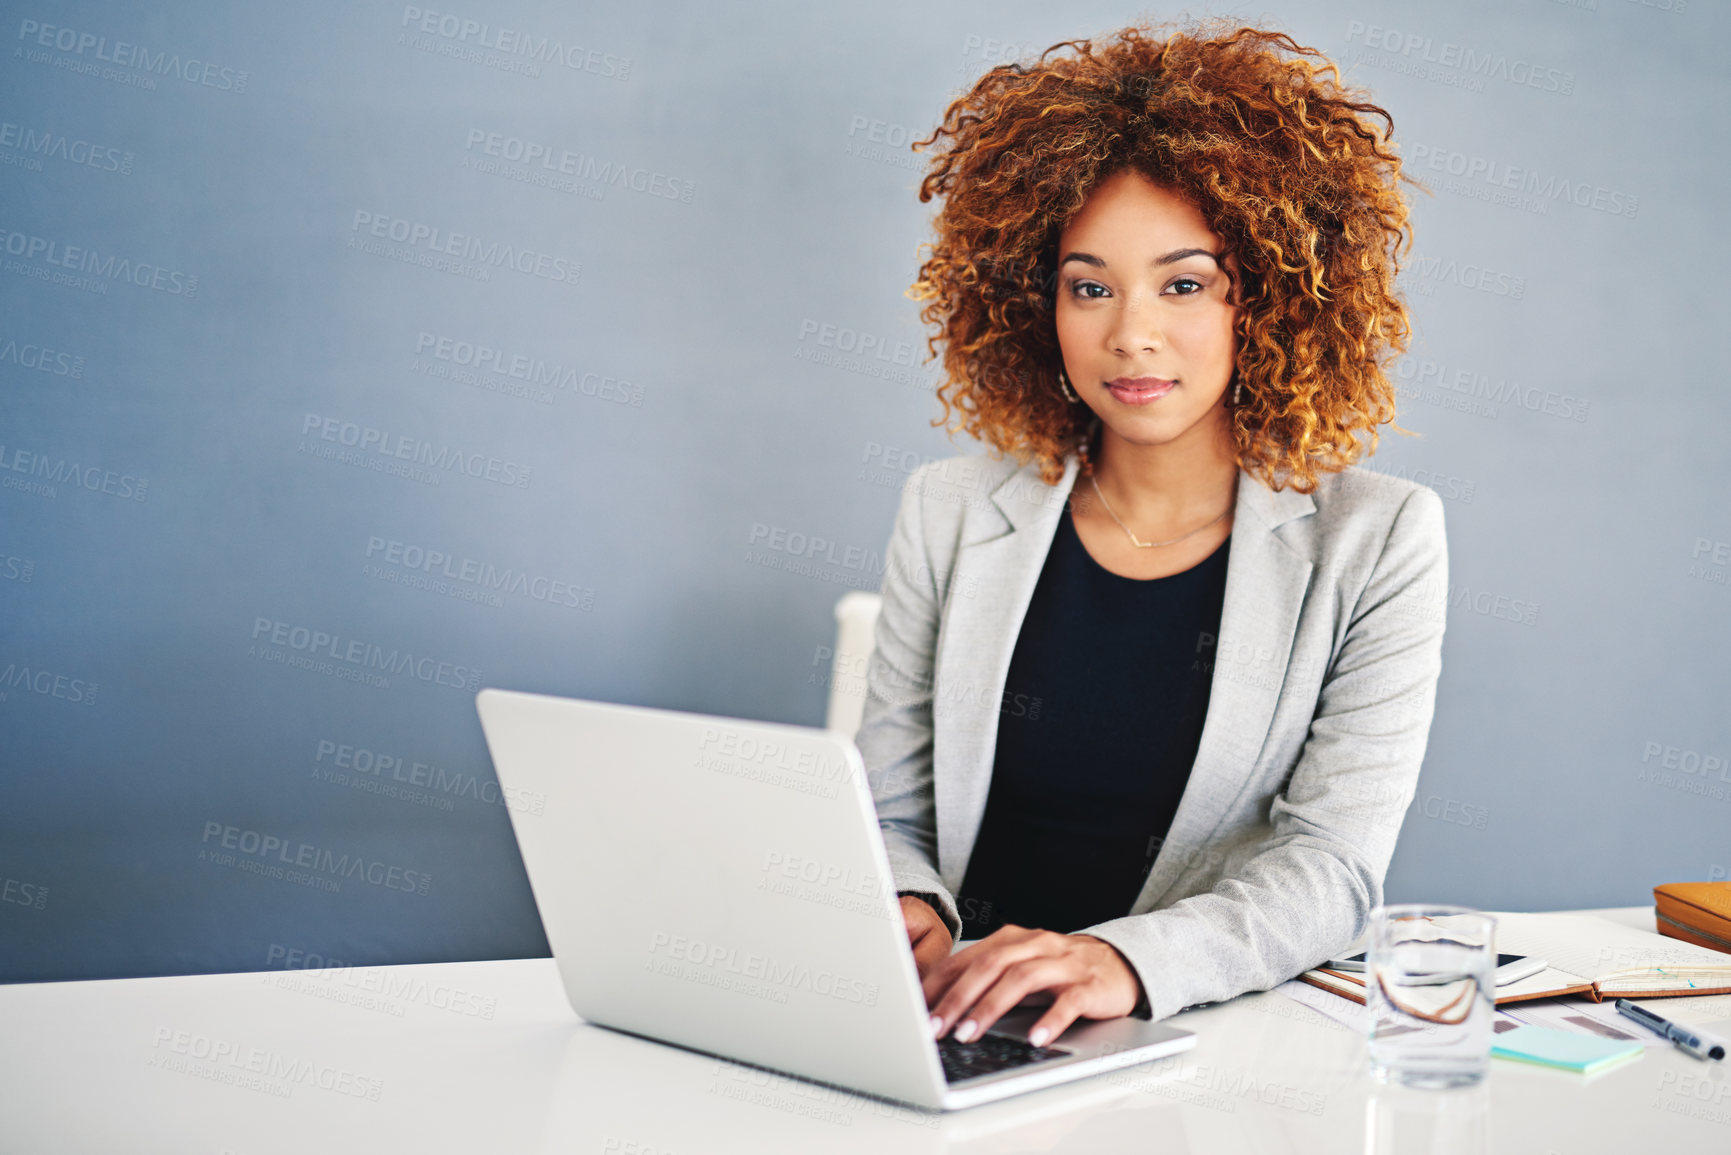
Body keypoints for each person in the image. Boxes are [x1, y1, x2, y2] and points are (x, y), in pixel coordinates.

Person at [854, 19, 1449, 1051]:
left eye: (1184, 284)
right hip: (950, 1028)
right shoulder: (947, 508)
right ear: (1035, 301)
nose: (1130, 332)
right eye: (1090, 286)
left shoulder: (1379, 539)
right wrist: (908, 906)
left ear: (1269, 298)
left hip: (1182, 1040)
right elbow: (886, 815)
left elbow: (1334, 864)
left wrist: (1131, 960)